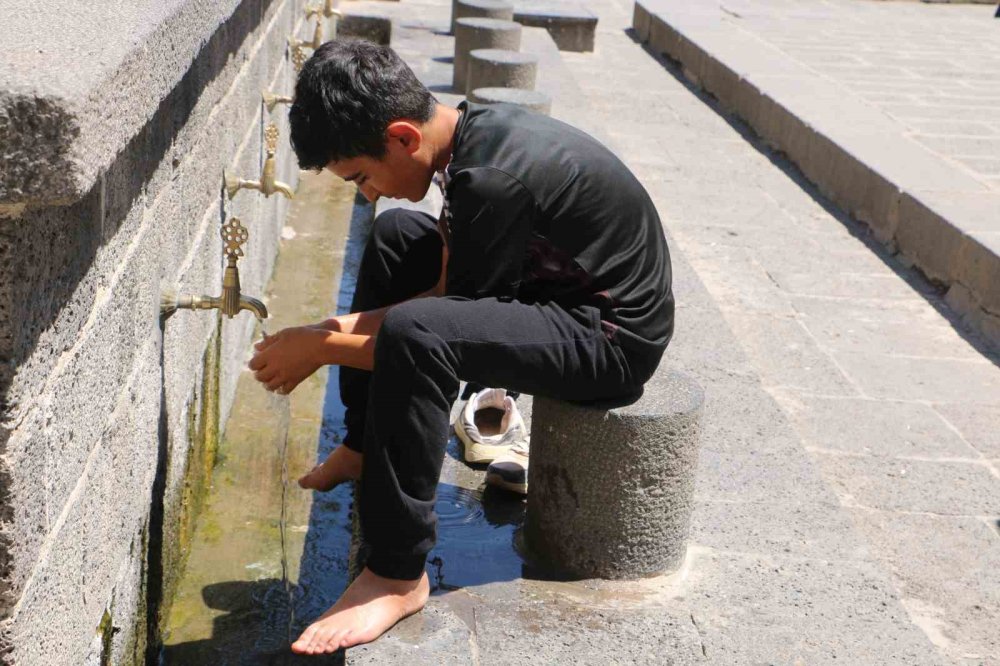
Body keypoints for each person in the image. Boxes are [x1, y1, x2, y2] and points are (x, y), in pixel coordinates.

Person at [248, 39, 674, 655]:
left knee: (417, 335)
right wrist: (324, 333)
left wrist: (320, 344)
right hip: (554, 290)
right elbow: (449, 288)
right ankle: (363, 443)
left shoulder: (488, 179)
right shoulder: (469, 138)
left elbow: (434, 329)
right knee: (396, 236)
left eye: (362, 177)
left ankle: (396, 572)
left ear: (401, 137)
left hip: (609, 336)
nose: (367, 195)